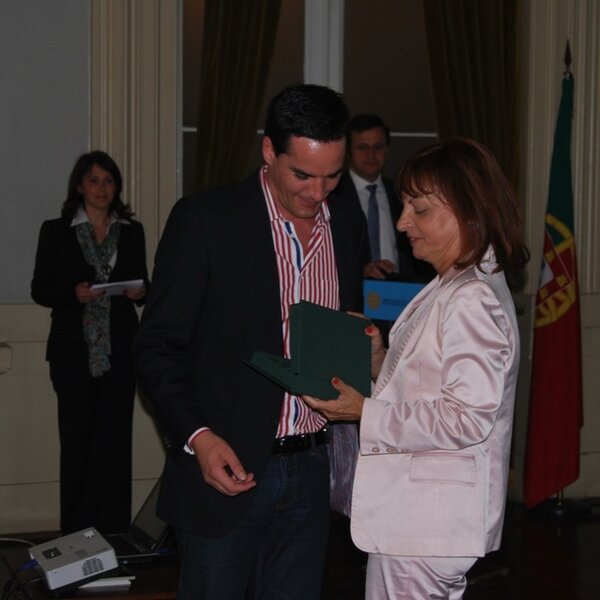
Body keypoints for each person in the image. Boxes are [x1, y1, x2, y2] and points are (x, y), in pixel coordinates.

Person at [133, 84, 367, 599]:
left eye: (332, 175)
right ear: (268, 151)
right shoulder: (205, 220)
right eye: (302, 175)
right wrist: (199, 437)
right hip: (224, 468)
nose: (318, 192)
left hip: (312, 469)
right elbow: (156, 347)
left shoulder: (347, 223)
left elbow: (344, 332)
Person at [303, 137, 529, 599]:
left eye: (420, 210)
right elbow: (432, 384)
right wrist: (379, 359)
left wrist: (365, 412)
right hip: (424, 520)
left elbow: (465, 417)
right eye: (405, 206)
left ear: (468, 211)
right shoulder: (456, 282)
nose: (403, 222)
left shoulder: (471, 296)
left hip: (428, 522)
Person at [31, 150, 149, 535]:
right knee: (77, 444)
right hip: (72, 353)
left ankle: (114, 532)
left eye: (109, 181)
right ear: (79, 185)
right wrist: (73, 293)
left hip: (120, 352)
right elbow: (40, 288)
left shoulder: (131, 231)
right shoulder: (56, 230)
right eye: (94, 180)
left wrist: (140, 292)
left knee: (115, 444)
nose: (102, 188)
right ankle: (76, 535)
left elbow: (144, 283)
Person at [331, 113, 434, 282]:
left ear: (387, 150)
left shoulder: (404, 193)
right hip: (351, 289)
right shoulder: (332, 195)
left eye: (377, 147)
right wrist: (359, 271)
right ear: (348, 151)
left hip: (402, 290)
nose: (371, 155)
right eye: (362, 147)